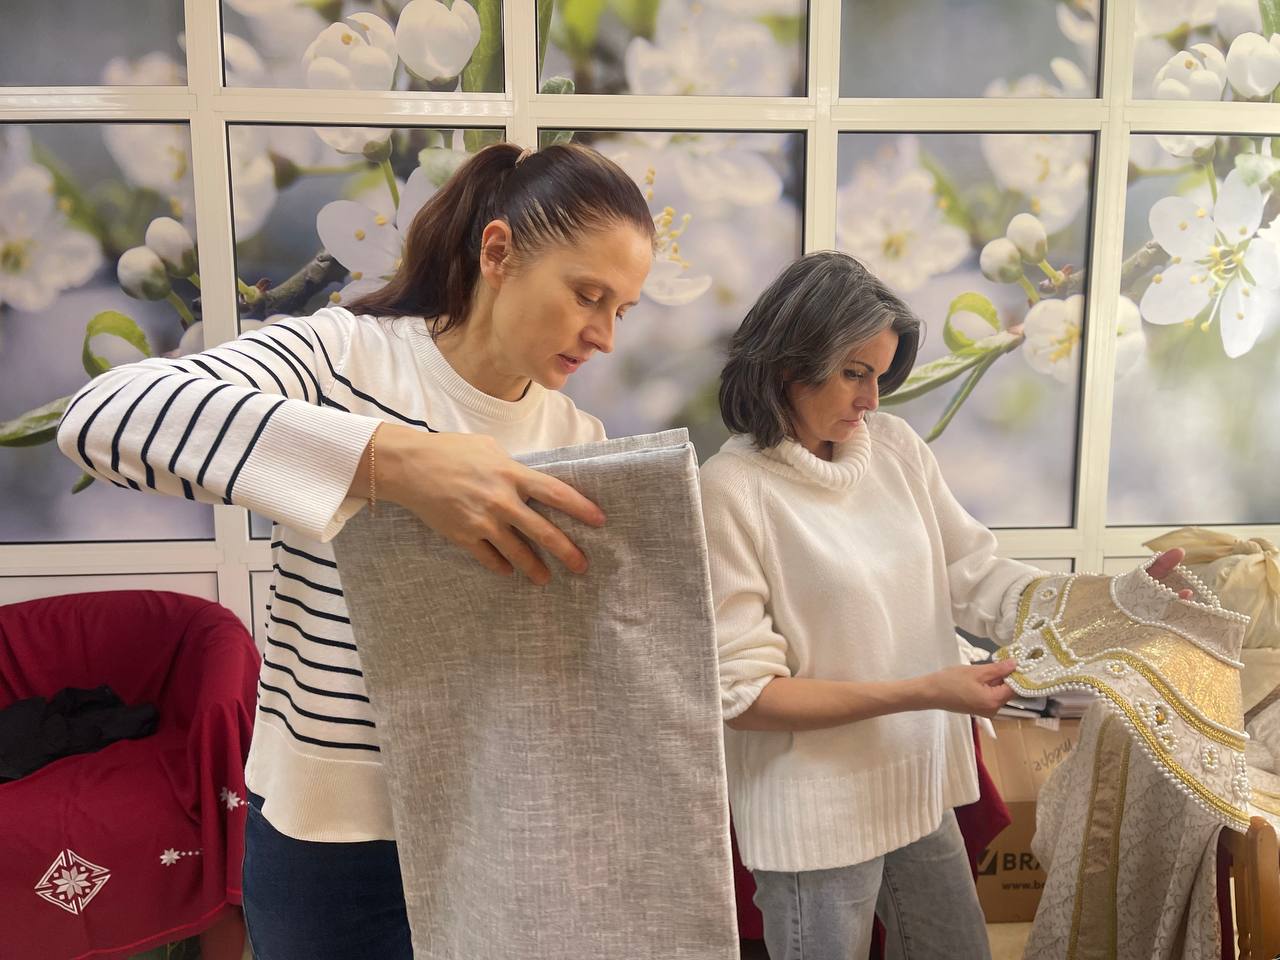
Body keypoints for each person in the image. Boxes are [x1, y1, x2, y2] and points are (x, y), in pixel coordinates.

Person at [56, 141, 656, 959]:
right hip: (327, 837)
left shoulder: (577, 438)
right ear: (499, 253)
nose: (605, 336)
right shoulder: (345, 356)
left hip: (494, 821)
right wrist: (394, 464)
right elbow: (103, 417)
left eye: (624, 311)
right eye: (589, 295)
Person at [699, 251, 1189, 959]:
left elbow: (978, 576)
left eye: (880, 376)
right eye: (855, 374)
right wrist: (927, 690)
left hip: (917, 785)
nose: (872, 400)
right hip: (815, 816)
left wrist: (1113, 604)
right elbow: (747, 697)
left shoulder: (893, 448)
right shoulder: (732, 489)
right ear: (788, 365)